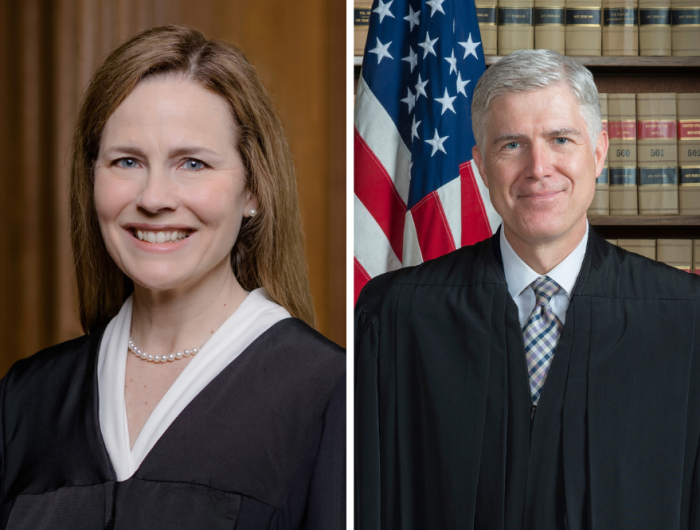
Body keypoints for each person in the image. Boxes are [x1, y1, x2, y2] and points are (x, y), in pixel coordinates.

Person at [0, 25, 345, 529]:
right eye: (126, 161)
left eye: (192, 163)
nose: (155, 197)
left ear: (252, 191)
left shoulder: (327, 395)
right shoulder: (26, 399)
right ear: (91, 179)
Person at [355, 49, 700, 529]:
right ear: (479, 165)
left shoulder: (684, 321)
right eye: (512, 145)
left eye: (561, 139)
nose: (539, 168)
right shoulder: (397, 316)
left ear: (599, 152)